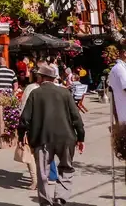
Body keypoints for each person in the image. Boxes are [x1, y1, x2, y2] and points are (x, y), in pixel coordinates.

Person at [18, 63, 85, 206]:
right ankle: (60, 198)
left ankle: (46, 202)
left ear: (41, 77)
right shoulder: (65, 93)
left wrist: (20, 136)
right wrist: (81, 137)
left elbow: (24, 119)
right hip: (66, 138)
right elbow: (76, 117)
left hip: (42, 139)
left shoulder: (35, 94)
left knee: (43, 173)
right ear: (54, 78)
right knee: (66, 168)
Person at [20, 67, 42, 190]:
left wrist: (21, 127)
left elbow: (23, 108)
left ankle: (35, 180)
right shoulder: (51, 88)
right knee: (43, 154)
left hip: (32, 125)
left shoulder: (30, 88)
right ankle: (42, 178)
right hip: (46, 125)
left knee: (31, 154)